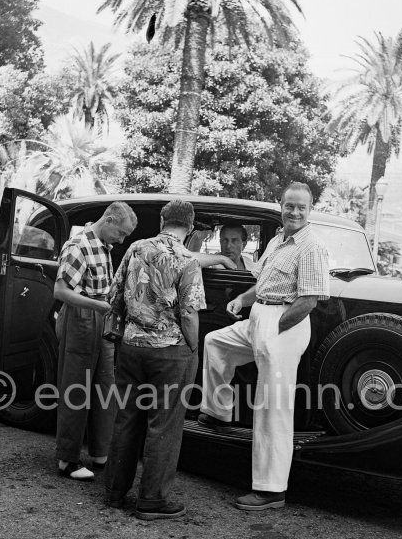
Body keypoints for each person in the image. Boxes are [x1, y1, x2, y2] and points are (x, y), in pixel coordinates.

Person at [198, 182, 330, 510]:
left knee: (272, 407)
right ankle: (218, 411)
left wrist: (276, 330)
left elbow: (308, 300)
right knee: (216, 343)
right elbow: (262, 284)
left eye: (301, 207)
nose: (295, 212)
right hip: (260, 317)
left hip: (285, 322)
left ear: (310, 209)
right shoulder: (276, 240)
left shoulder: (311, 246)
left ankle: (270, 490)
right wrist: (242, 300)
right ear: (281, 205)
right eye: (289, 206)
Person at [105, 200, 206, 520]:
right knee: (164, 425)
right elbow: (189, 312)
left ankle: (114, 491)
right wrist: (193, 347)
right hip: (169, 352)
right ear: (189, 227)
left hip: (132, 346)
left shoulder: (135, 248)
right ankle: (151, 500)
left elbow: (115, 297)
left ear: (162, 220)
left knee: (126, 418)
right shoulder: (188, 260)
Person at [54, 202, 137, 481]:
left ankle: (101, 452)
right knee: (76, 385)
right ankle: (67, 459)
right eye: (121, 233)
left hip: (100, 316)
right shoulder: (78, 244)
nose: (122, 240)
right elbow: (61, 291)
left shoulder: (103, 245)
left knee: (105, 384)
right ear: (109, 220)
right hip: (81, 317)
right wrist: (97, 306)